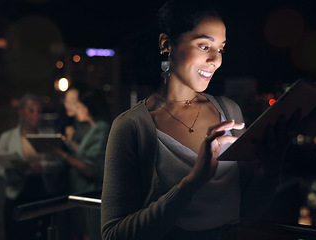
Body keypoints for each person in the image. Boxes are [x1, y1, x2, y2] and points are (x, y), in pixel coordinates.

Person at [100, 1, 296, 240]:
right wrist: (192, 182)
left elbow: (243, 213)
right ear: (166, 44)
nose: (216, 60)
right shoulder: (131, 126)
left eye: (221, 49)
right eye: (204, 46)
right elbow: (113, 234)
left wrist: (269, 171)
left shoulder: (229, 111)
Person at [0, 94, 64, 240]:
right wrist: (16, 170)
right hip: (17, 194)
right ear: (21, 111)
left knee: (43, 234)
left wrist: (43, 167)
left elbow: (59, 162)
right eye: (31, 110)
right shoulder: (7, 137)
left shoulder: (49, 134)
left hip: (43, 192)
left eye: (39, 111)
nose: (36, 115)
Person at [53, 88, 111, 240]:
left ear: (88, 108)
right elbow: (86, 154)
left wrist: (63, 155)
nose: (75, 109)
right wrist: (69, 143)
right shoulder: (92, 129)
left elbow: (92, 169)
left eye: (78, 105)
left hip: (91, 194)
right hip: (82, 193)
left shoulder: (101, 129)